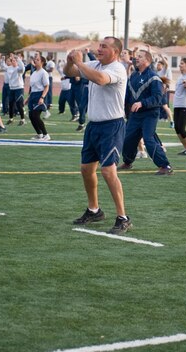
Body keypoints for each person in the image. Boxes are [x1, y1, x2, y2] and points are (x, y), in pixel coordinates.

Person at [65, 36, 131, 235]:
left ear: (115, 52)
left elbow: (100, 80)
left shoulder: (117, 68)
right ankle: (94, 210)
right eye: (99, 45)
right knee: (86, 169)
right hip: (94, 126)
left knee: (108, 171)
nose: (99, 49)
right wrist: (71, 61)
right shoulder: (95, 64)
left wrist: (78, 62)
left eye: (104, 46)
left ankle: (123, 217)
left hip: (112, 126)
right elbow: (70, 73)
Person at [118, 49, 174, 175]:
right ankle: (127, 162)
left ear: (148, 61)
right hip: (135, 115)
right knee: (127, 139)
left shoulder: (154, 78)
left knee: (148, 139)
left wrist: (142, 103)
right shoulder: (133, 76)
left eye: (140, 57)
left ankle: (165, 166)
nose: (136, 58)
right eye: (136, 56)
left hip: (150, 114)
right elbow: (127, 95)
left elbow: (158, 98)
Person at [24, 55, 51, 141]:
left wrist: (42, 97)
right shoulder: (34, 73)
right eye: (35, 60)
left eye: (38, 60)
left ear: (42, 62)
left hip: (40, 95)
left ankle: (46, 135)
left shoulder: (44, 73)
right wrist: (28, 98)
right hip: (33, 96)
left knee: (36, 115)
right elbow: (32, 88)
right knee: (31, 116)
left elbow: (46, 86)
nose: (35, 61)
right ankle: (39, 134)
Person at [2, 53, 26, 125]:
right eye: (13, 60)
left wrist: (17, 58)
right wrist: (3, 60)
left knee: (19, 104)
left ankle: (22, 119)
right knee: (11, 104)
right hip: (11, 88)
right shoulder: (9, 68)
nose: (14, 62)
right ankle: (11, 118)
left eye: (15, 61)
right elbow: (3, 66)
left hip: (19, 88)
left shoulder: (19, 69)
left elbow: (22, 67)